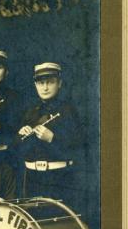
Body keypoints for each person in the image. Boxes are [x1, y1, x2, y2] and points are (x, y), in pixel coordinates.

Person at [15, 62, 81, 207]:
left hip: (59, 179)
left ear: (59, 83)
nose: (45, 87)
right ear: (35, 85)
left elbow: (79, 147)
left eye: (50, 82)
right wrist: (21, 135)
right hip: (32, 179)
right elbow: (19, 149)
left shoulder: (68, 110)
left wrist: (52, 138)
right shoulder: (30, 111)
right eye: (40, 83)